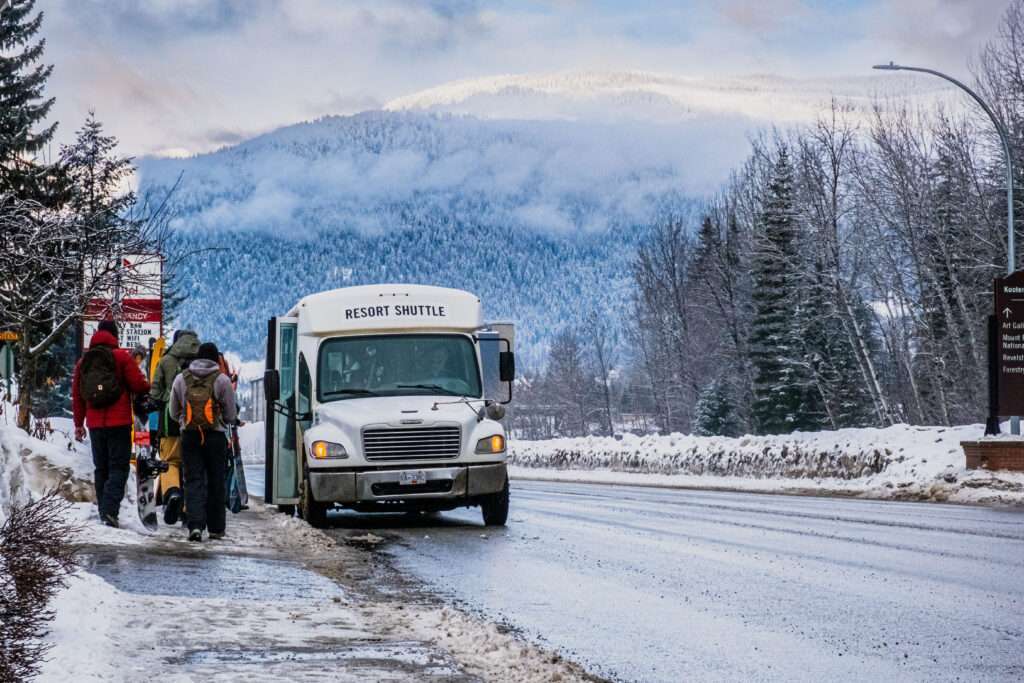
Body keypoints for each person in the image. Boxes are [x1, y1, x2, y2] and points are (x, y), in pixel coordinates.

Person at [72, 320, 151, 528]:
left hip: (95, 424)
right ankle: (109, 510)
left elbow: (77, 396)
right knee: (119, 467)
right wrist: (147, 387)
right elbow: (138, 384)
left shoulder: (84, 362)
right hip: (119, 422)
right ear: (115, 335)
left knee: (101, 468)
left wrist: (79, 424)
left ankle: (103, 512)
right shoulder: (121, 357)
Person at [170, 342, 237, 542]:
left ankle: (195, 526)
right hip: (215, 437)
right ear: (216, 359)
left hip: (190, 436)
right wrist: (224, 421)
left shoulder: (181, 379)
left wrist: (185, 421)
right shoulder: (223, 381)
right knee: (216, 481)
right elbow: (230, 414)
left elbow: (173, 412)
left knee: (193, 481)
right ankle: (216, 528)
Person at [149, 329, 199, 525]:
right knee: (193, 465)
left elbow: (154, 394)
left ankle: (172, 493)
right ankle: (188, 509)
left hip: (170, 423)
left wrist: (169, 398)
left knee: (170, 461)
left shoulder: (166, 360)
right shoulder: (202, 360)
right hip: (198, 423)